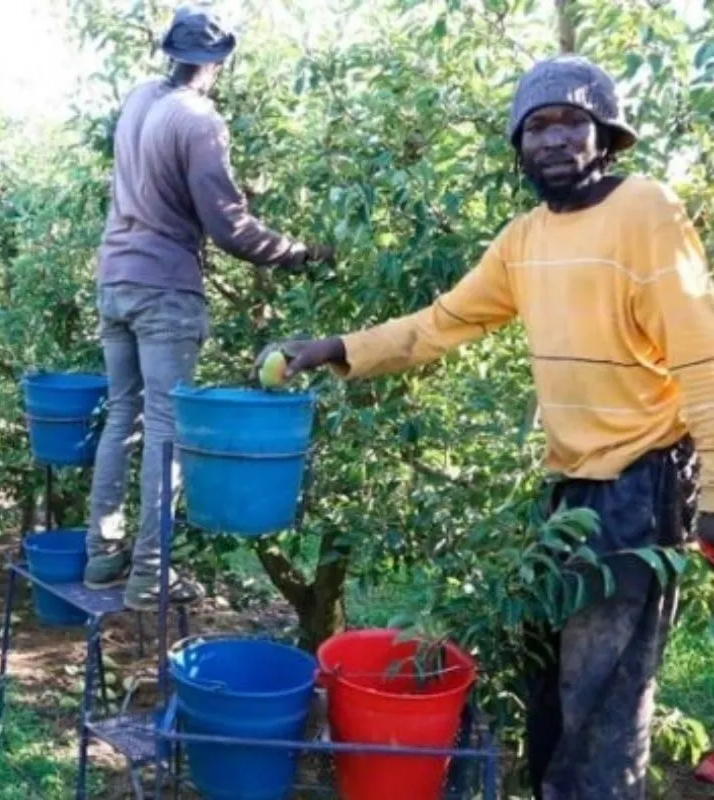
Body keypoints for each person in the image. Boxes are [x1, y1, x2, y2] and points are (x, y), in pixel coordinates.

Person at [260, 55, 714, 799]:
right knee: (549, 685)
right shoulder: (524, 238)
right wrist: (337, 349)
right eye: (537, 126)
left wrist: (713, 500)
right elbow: (442, 324)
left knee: (604, 697)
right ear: (518, 145)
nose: (554, 139)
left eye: (572, 121)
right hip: (568, 491)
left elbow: (703, 357)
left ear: (605, 134)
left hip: (643, 482)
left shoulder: (647, 213)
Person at [84, 3, 333, 611]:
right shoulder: (199, 120)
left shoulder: (141, 98)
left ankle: (101, 556)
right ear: (218, 63)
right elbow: (227, 226)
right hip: (164, 286)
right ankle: (148, 578)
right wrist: (295, 253)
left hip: (114, 276)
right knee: (168, 430)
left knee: (124, 418)